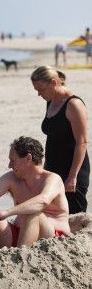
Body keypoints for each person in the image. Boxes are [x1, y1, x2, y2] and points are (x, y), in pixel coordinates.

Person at [0, 135, 71, 249]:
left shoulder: (53, 179)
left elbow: (42, 201)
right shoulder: (11, 178)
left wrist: (7, 212)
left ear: (28, 158)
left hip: (51, 238)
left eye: (13, 160)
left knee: (33, 213)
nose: (9, 165)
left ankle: (21, 259)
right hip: (17, 235)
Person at [32, 65, 90, 213]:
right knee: (53, 214)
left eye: (41, 90)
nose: (39, 94)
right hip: (53, 168)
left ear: (54, 83)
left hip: (72, 169)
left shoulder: (74, 104)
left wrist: (72, 176)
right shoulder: (50, 101)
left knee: (74, 216)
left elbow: (82, 143)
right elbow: (54, 138)